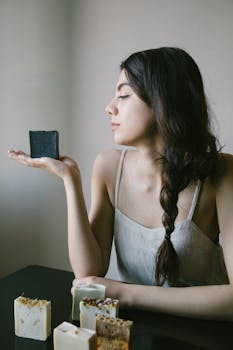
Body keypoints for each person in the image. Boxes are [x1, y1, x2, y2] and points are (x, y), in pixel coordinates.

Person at [8, 47, 233, 321]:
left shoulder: (222, 172)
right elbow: (89, 271)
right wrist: (71, 180)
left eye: (123, 95)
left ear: (163, 101)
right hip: (133, 330)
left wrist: (126, 294)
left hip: (205, 335)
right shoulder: (108, 166)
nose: (109, 106)